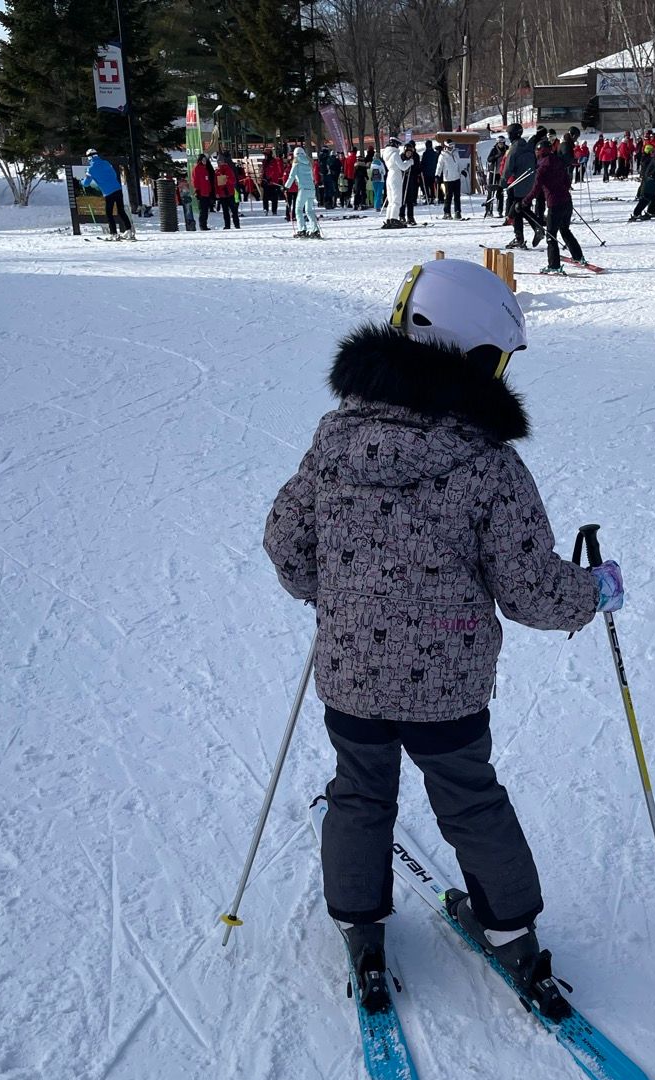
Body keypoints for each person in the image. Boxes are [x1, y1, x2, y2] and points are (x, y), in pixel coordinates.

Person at [263, 257, 623, 1015]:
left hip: (354, 675)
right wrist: (592, 593)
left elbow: (288, 544)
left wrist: (332, 593)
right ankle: (509, 928)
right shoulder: (489, 464)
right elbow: (529, 588)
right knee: (469, 797)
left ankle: (360, 923)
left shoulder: (335, 442)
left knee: (360, 791)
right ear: (474, 354)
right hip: (448, 688)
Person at [526, 131, 585, 274]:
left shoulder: (542, 168)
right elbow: (567, 181)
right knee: (565, 230)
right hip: (567, 201)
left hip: (555, 204)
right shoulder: (558, 161)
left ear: (539, 152)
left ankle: (554, 265)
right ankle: (578, 256)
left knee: (551, 235)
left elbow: (536, 189)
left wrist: (525, 202)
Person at [501, 123, 540, 249]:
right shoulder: (528, 146)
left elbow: (508, 166)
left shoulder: (515, 148)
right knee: (521, 208)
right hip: (529, 182)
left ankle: (535, 228)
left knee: (519, 208)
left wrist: (503, 181)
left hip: (518, 183)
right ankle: (521, 237)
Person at [81, 148, 134, 239]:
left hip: (108, 192)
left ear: (89, 157)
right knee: (121, 211)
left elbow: (86, 183)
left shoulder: (90, 169)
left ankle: (114, 234)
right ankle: (129, 231)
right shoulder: (106, 163)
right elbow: (114, 174)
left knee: (109, 213)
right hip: (117, 189)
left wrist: (81, 181)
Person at [285, 143, 321, 237]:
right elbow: (312, 177)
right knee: (309, 210)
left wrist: (286, 187)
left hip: (303, 189)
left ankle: (302, 230)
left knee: (298, 210)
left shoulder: (296, 164)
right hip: (311, 189)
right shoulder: (309, 164)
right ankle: (315, 230)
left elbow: (291, 176)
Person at [629, 148, 655, 220]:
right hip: (649, 181)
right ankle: (636, 213)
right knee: (646, 197)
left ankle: (651, 211)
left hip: (653, 182)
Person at [438, 138, 464, 218]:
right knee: (448, 197)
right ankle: (447, 212)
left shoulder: (456, 153)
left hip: (456, 177)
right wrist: (437, 175)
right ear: (446, 146)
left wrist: (462, 171)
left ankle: (457, 212)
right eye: (450, 146)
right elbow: (439, 166)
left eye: (452, 146)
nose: (451, 148)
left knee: (457, 196)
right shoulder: (443, 155)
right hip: (448, 179)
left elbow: (459, 163)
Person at [484, 136, 508, 215]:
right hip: (493, 172)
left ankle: (500, 210)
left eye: (502, 143)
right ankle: (488, 209)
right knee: (491, 191)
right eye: (499, 143)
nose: (500, 144)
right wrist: (496, 156)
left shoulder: (507, 149)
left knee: (500, 192)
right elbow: (489, 159)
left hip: (502, 173)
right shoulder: (494, 150)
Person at [399, 141, 421, 225]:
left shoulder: (414, 157)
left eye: (410, 152)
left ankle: (410, 217)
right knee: (402, 199)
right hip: (403, 180)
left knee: (410, 200)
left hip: (411, 180)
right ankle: (401, 216)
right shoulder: (401, 157)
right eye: (407, 152)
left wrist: (418, 170)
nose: (408, 154)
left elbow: (417, 167)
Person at [192, 151, 215, 228]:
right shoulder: (197, 168)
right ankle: (202, 226)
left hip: (207, 192)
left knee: (206, 210)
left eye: (205, 160)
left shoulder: (205, 168)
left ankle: (204, 225)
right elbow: (195, 180)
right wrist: (197, 190)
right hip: (201, 192)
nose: (205, 161)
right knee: (203, 210)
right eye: (203, 160)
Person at [215, 154, 239, 227]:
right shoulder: (217, 172)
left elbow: (233, 180)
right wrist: (217, 193)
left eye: (220, 161)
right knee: (225, 211)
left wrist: (226, 179)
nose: (219, 163)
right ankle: (227, 225)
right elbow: (215, 184)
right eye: (218, 162)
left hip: (230, 193)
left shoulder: (228, 169)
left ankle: (237, 224)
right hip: (222, 194)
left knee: (234, 210)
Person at [261, 146, 284, 214]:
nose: (265, 156)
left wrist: (270, 178)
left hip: (273, 182)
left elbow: (276, 171)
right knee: (265, 197)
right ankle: (265, 209)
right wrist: (262, 179)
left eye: (266, 154)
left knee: (274, 197)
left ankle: (274, 210)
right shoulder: (264, 161)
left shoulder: (275, 161)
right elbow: (263, 171)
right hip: (265, 181)